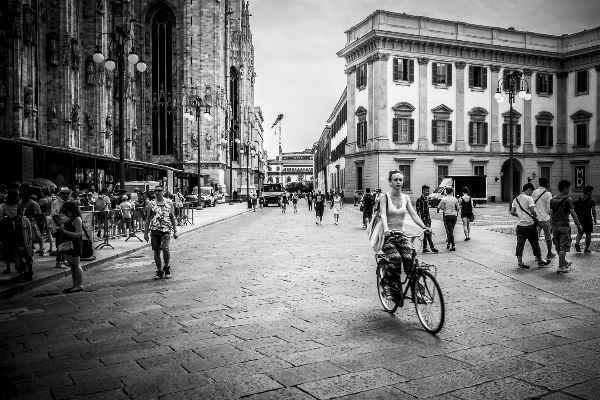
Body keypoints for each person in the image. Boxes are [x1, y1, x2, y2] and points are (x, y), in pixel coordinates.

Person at [379, 170, 431, 290]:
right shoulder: (384, 197)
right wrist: (386, 230)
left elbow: (413, 215)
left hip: (400, 234)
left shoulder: (405, 198)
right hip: (387, 235)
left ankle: (416, 290)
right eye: (395, 180)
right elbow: (383, 215)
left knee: (410, 260)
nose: (398, 182)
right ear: (390, 182)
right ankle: (387, 285)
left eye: (400, 180)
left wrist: (424, 227)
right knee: (395, 259)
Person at [511, 183, 552, 270]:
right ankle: (540, 261)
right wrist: (535, 216)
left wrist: (519, 215)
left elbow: (512, 212)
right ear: (528, 190)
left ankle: (520, 263)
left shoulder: (515, 199)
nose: (531, 193)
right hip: (529, 224)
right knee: (534, 243)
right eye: (531, 191)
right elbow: (533, 211)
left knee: (519, 244)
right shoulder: (529, 198)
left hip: (520, 225)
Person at [144, 186, 178, 279]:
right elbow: (147, 219)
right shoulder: (151, 204)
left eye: (160, 190)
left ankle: (166, 267)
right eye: (156, 191)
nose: (158, 192)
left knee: (165, 248)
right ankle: (159, 271)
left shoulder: (169, 203)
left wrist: (175, 231)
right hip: (155, 230)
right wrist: (145, 233)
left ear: (163, 192)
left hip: (166, 230)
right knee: (156, 251)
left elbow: (172, 217)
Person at [550, 180, 583, 273]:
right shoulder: (568, 200)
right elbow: (573, 213)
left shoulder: (553, 199)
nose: (569, 190)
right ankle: (561, 267)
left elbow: (551, 214)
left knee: (558, 247)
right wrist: (579, 225)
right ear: (564, 188)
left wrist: (551, 225)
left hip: (555, 226)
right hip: (564, 226)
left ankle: (564, 263)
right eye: (568, 188)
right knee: (563, 247)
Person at [56, 202, 84, 292]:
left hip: (75, 244)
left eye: (67, 211)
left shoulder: (77, 219)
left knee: (76, 265)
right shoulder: (71, 219)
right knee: (72, 266)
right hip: (70, 244)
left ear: (72, 210)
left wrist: (63, 231)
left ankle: (79, 285)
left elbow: (78, 234)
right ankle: (75, 285)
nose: (66, 214)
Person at [532, 178, 555, 259]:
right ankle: (549, 253)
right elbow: (549, 208)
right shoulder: (548, 194)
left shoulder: (534, 192)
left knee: (536, 238)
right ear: (546, 184)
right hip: (545, 218)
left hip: (536, 219)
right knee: (548, 237)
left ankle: (537, 255)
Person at [52, 187, 72, 269]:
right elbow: (54, 215)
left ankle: (64, 261)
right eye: (64, 193)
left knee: (65, 244)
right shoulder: (56, 202)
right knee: (60, 245)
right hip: (60, 227)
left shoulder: (68, 202)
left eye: (67, 193)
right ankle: (59, 262)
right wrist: (60, 225)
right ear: (60, 194)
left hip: (67, 226)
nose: (66, 195)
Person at [415, 185, 438, 253]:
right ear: (423, 191)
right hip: (423, 219)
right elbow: (418, 211)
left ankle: (425, 248)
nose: (428, 192)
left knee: (427, 234)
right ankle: (432, 247)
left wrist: (429, 219)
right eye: (427, 191)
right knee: (428, 233)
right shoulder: (419, 200)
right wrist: (420, 220)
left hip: (428, 218)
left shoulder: (426, 199)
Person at [574, 185, 596, 254]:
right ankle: (586, 248)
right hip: (588, 219)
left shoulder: (579, 198)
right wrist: (595, 219)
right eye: (591, 191)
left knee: (580, 232)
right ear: (588, 192)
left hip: (580, 219)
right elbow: (593, 210)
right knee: (588, 233)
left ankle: (577, 243)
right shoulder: (591, 200)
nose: (592, 193)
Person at [437, 186, 459, 251]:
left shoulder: (444, 199)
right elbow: (458, 208)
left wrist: (444, 209)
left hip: (447, 215)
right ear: (452, 192)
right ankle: (449, 244)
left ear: (446, 192)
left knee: (450, 231)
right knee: (451, 230)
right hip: (454, 215)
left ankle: (453, 245)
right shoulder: (455, 199)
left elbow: (441, 207)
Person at [38, 187, 55, 255]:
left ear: (43, 192)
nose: (40, 193)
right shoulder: (51, 199)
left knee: (40, 233)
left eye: (41, 192)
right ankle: (51, 248)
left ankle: (41, 249)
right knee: (49, 234)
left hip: (45, 217)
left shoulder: (41, 200)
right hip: (51, 216)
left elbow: (40, 211)